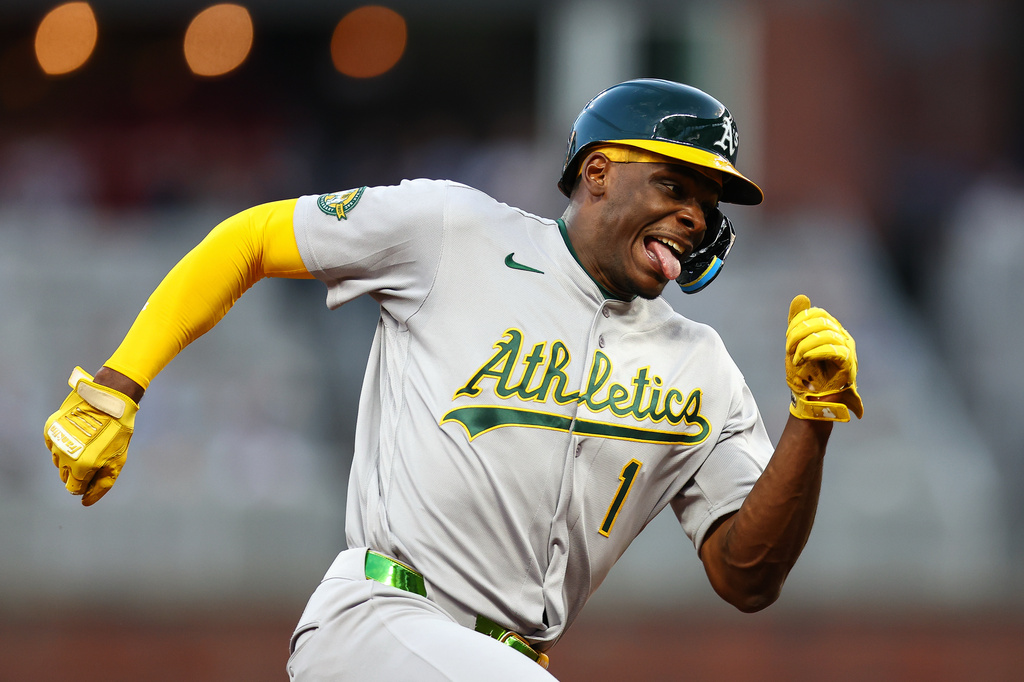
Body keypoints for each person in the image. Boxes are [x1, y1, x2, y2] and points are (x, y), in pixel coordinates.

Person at [43, 78, 862, 680]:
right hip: (381, 621)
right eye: (677, 185)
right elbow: (252, 238)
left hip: (503, 659)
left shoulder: (701, 365)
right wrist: (120, 382)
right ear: (601, 171)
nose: (695, 216)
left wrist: (812, 420)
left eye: (709, 204)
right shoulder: (455, 230)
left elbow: (746, 576)